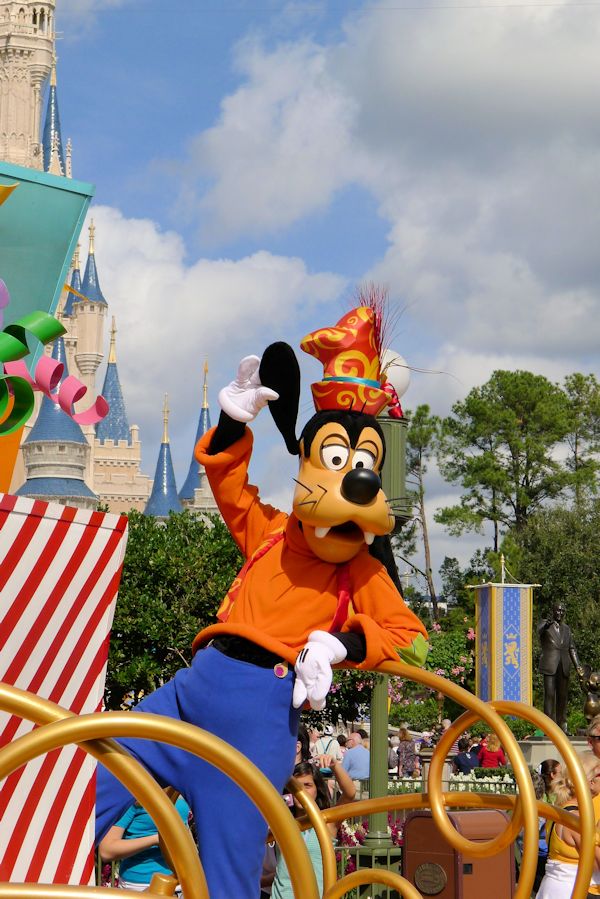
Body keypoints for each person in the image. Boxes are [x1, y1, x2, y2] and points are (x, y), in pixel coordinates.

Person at [270, 761, 355, 899]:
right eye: (296, 786)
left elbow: (349, 794)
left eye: (307, 786)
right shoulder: (280, 820)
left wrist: (334, 765)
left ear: (318, 789)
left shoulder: (327, 823)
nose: (300, 792)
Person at [536, 751, 600, 898]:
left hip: (554, 887)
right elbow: (596, 863)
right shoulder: (576, 819)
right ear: (590, 781)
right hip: (570, 890)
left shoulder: (560, 809)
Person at [98, 797, 190, 892]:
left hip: (183, 880)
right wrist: (158, 839)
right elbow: (107, 850)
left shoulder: (180, 789)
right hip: (142, 884)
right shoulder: (130, 796)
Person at [538, 603, 584, 733]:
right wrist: (546, 624)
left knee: (563, 697)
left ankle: (562, 726)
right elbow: (539, 631)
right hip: (550, 665)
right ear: (553, 611)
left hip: (564, 665)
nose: (560, 613)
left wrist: (578, 667)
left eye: (562, 611)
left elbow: (572, 648)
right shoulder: (545, 625)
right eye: (558, 610)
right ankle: (548, 727)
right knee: (550, 695)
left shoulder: (567, 629)